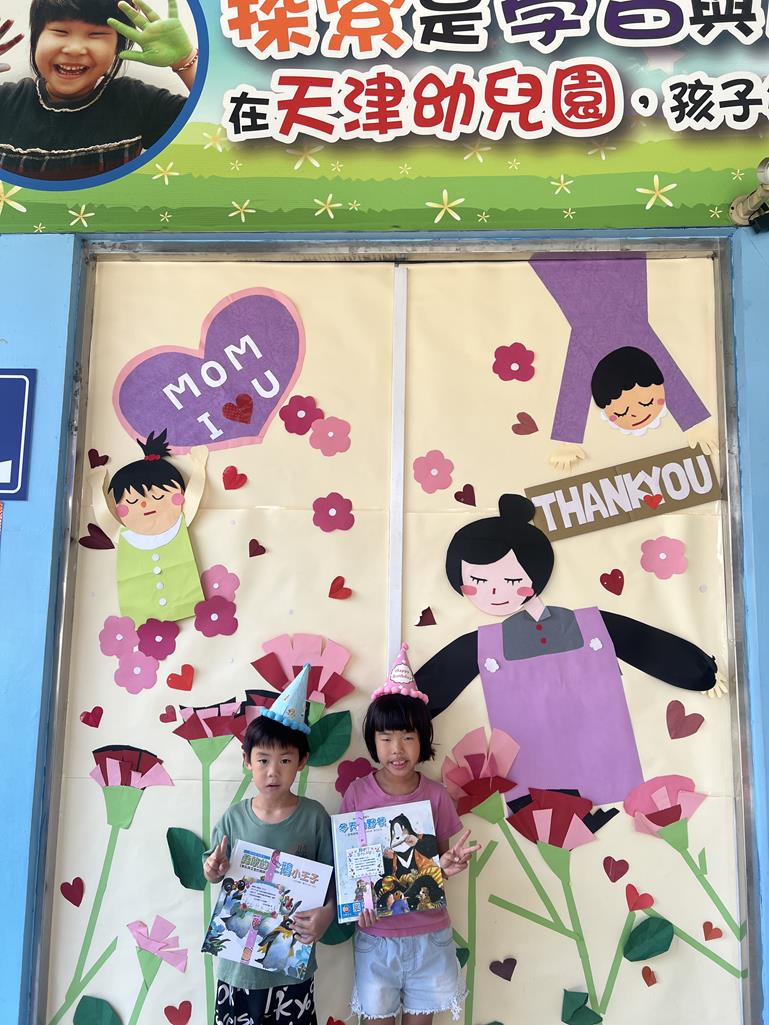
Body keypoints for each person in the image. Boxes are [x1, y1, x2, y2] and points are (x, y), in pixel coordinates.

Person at [414, 495, 725, 808]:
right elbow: (437, 682)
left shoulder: (590, 625)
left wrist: (698, 672)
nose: (494, 590)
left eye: (510, 579)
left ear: (534, 575)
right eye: (479, 581)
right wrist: (400, 718)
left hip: (605, 762)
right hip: (530, 771)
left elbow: (643, 643)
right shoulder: (483, 643)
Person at [339, 643, 480, 1024]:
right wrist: (356, 904)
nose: (397, 749)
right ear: (373, 741)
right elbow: (348, 865)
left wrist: (449, 866)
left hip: (429, 935)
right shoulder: (357, 795)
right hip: (376, 936)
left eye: (407, 737)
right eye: (386, 738)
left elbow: (442, 864)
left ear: (423, 740)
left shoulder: (435, 796)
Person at [204, 664, 336, 1025]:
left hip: (291, 967)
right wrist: (213, 869)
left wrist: (326, 915)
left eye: (285, 760)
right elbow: (214, 871)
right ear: (247, 761)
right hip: (238, 968)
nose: (273, 771)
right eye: (263, 760)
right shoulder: (234, 818)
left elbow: (333, 882)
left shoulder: (314, 817)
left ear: (302, 762)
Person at [528, 256, 719, 471]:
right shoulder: (627, 334)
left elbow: (582, 362)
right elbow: (648, 352)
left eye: (644, 403)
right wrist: (694, 421)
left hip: (579, 253)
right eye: (645, 403)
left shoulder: (599, 337)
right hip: (618, 250)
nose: (636, 414)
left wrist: (567, 439)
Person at [0, 0, 197, 180]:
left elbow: (208, 137)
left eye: (96, 34)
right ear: (36, 39)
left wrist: (185, 61)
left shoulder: (137, 101)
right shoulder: (5, 101)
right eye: (60, 31)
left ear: (118, 47)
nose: (75, 49)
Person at [91, 428, 207, 625]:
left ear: (178, 497)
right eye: (132, 501)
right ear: (121, 509)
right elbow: (104, 517)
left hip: (187, 605)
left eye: (159, 496)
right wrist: (96, 488)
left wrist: (199, 468)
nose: (145, 505)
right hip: (142, 616)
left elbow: (193, 497)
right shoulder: (125, 536)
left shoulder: (178, 524)